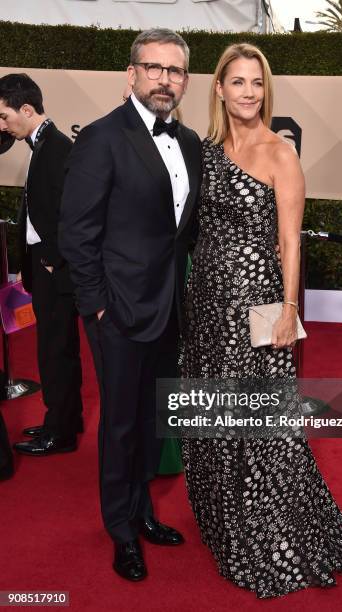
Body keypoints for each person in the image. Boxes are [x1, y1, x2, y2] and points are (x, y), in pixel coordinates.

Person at [180, 43, 342, 599]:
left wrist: (289, 310)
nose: (247, 92)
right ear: (218, 88)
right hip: (208, 304)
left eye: (256, 83)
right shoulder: (206, 149)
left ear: (266, 91)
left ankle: (271, 535)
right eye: (237, 82)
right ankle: (225, 523)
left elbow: (290, 242)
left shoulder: (279, 153)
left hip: (261, 306)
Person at [59, 29, 202, 581]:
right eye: (154, 68)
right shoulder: (101, 137)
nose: (165, 79)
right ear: (132, 73)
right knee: (119, 424)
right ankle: (120, 530)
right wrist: (97, 307)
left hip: (168, 308)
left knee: (152, 419)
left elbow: (180, 233)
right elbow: (77, 232)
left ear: (185, 80)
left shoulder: (188, 142)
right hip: (117, 312)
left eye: (175, 71)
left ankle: (143, 513)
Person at [0, 73, 83, 456]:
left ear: (27, 109)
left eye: (4, 116)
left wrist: (52, 259)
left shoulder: (56, 149)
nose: (2, 125)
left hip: (55, 268)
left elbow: (72, 213)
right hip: (45, 265)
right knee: (55, 347)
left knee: (55, 350)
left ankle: (61, 431)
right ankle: (65, 419)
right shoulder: (44, 145)